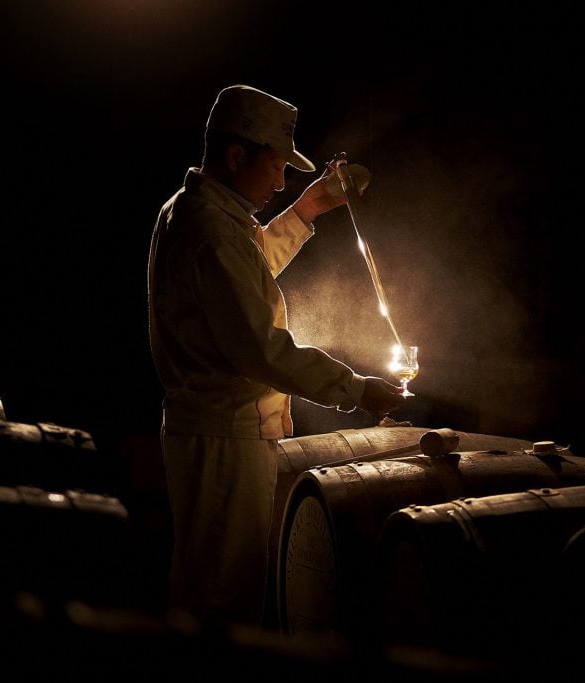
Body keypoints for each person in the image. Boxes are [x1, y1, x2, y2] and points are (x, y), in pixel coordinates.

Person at [147, 84, 405, 628]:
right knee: (220, 601)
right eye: (276, 167)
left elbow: (247, 269)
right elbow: (263, 350)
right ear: (236, 155)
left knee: (207, 586)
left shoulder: (200, 213)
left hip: (212, 430)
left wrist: (308, 208)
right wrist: (356, 389)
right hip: (225, 434)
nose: (281, 182)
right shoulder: (212, 232)